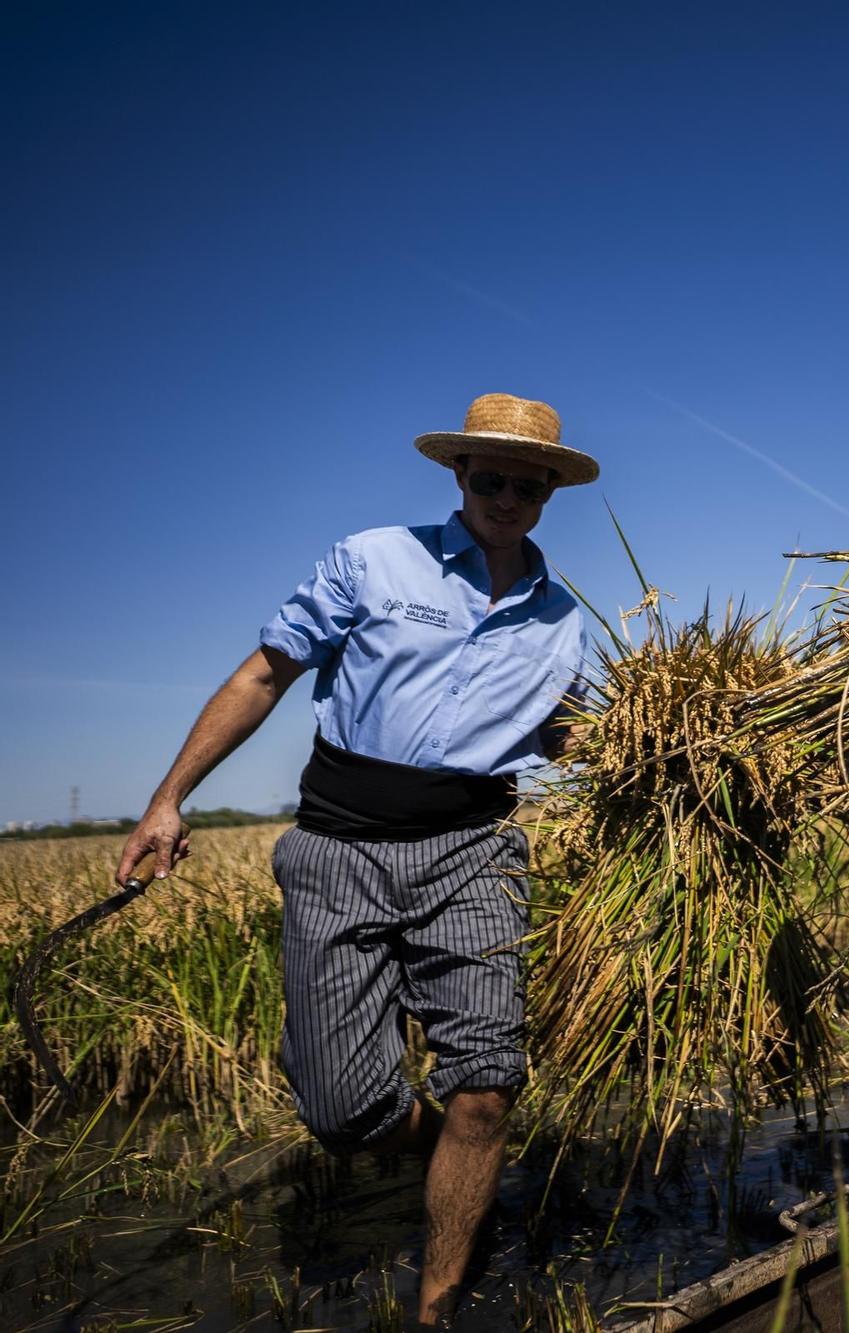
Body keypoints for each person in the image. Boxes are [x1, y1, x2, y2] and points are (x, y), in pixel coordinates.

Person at [115, 393, 596, 1325]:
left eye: (526, 484)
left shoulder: (565, 621)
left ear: (546, 495)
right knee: (343, 1113)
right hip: (340, 849)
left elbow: (570, 737)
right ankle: (455, 1151)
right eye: (490, 477)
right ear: (459, 476)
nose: (506, 495)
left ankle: (438, 1304)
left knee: (486, 1087)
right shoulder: (374, 558)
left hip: (476, 851)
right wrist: (168, 799)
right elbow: (264, 674)